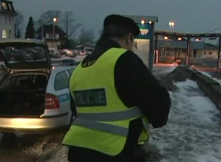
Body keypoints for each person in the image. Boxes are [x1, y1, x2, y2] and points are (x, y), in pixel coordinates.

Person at [63, 14, 171, 162]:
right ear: (129, 37)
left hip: (78, 153)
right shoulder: (124, 60)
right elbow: (159, 106)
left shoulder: (80, 68)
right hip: (115, 153)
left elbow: (80, 111)